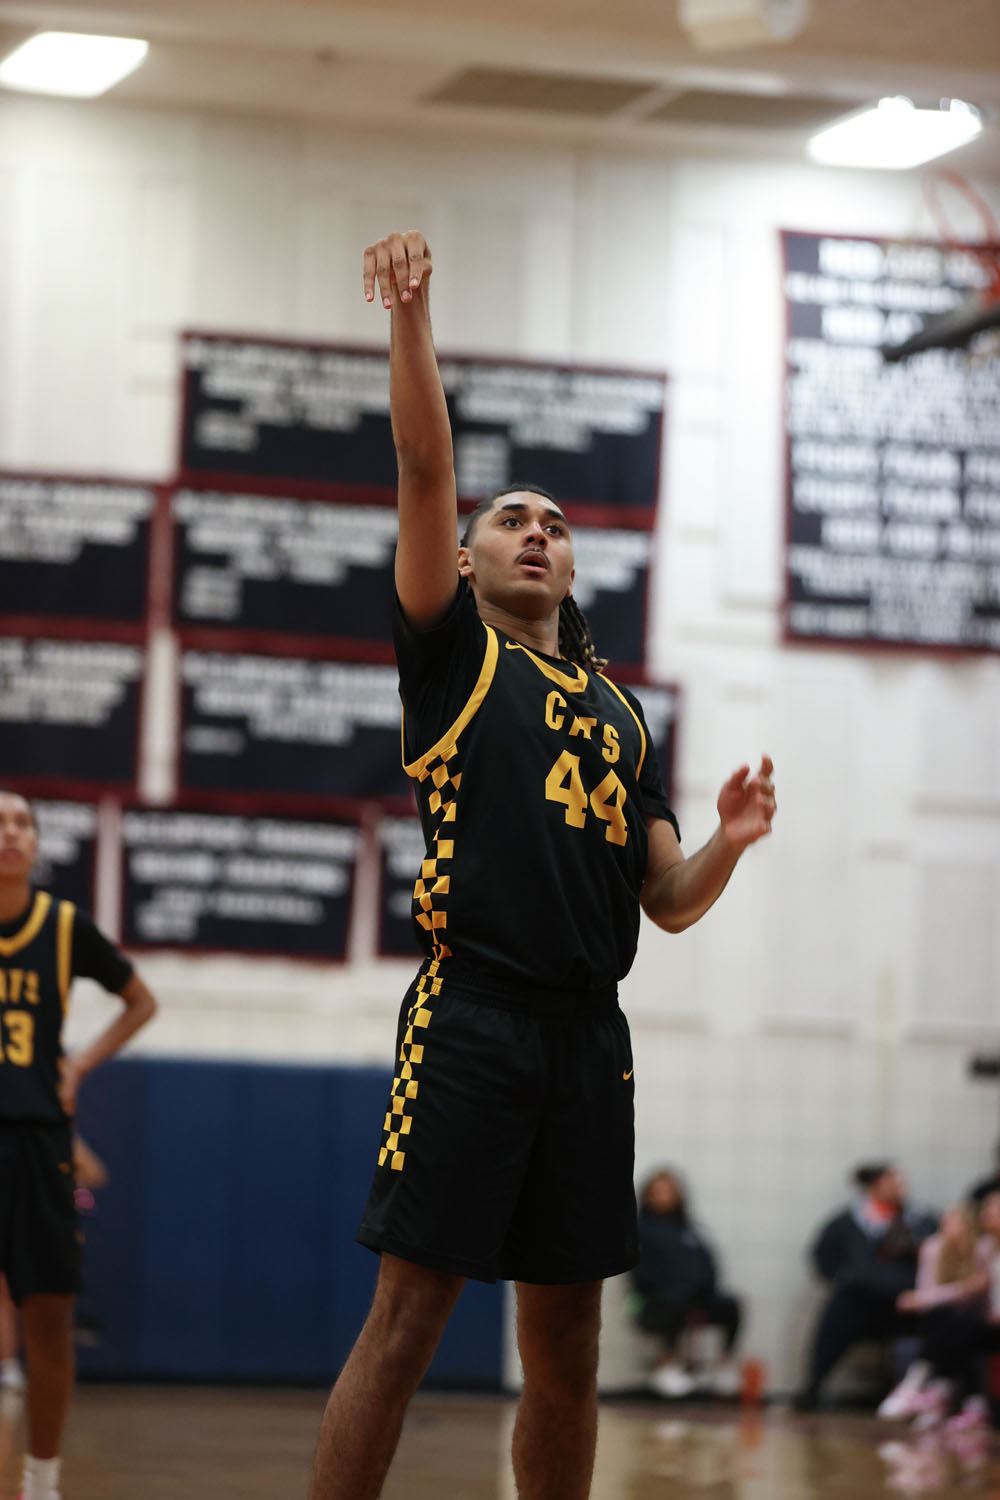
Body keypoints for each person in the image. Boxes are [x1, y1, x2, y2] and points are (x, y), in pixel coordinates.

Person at [306, 229, 776, 1500]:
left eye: (554, 525)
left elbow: (665, 904)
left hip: (587, 1037)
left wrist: (727, 843)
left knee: (566, 1342)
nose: (533, 531)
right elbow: (422, 463)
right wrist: (411, 319)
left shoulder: (624, 717)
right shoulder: (453, 657)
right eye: (509, 520)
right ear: (463, 562)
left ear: (572, 570)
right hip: (472, 1016)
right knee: (406, 1322)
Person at [0, 789, 157, 1500]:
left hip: (37, 1142)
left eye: (22, 823)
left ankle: (41, 1482)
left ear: (36, 843)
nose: (10, 833)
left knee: (50, 1315)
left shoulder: (62, 926)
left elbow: (140, 1000)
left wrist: (80, 1063)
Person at [795, 1162, 936, 1411]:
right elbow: (822, 1256)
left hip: (904, 1302)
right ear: (873, 1186)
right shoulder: (847, 1221)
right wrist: (843, 1277)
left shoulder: (920, 1220)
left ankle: (916, 1396)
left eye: (900, 1182)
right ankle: (814, 1386)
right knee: (835, 1317)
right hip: (860, 1300)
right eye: (892, 1182)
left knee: (936, 1325)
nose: (899, 1188)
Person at [632, 1167, 743, 1398]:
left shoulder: (692, 1230)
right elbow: (640, 1274)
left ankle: (723, 1367)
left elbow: (710, 1264)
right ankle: (667, 1365)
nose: (663, 1196)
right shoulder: (641, 1229)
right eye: (657, 1191)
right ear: (647, 1195)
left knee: (731, 1305)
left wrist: (702, 1288)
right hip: (656, 1301)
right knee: (675, 1301)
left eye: (668, 1191)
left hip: (696, 1297)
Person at [877, 1203, 991, 1421]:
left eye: (953, 1222)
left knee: (956, 1324)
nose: (946, 1227)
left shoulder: (982, 1249)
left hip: (977, 1320)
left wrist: (922, 1298)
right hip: (947, 1320)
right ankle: (948, 1394)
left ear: (969, 1226)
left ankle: (923, 1385)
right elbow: (928, 1294)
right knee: (945, 1319)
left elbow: (972, 1296)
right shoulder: (933, 1247)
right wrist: (955, 1291)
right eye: (945, 1222)